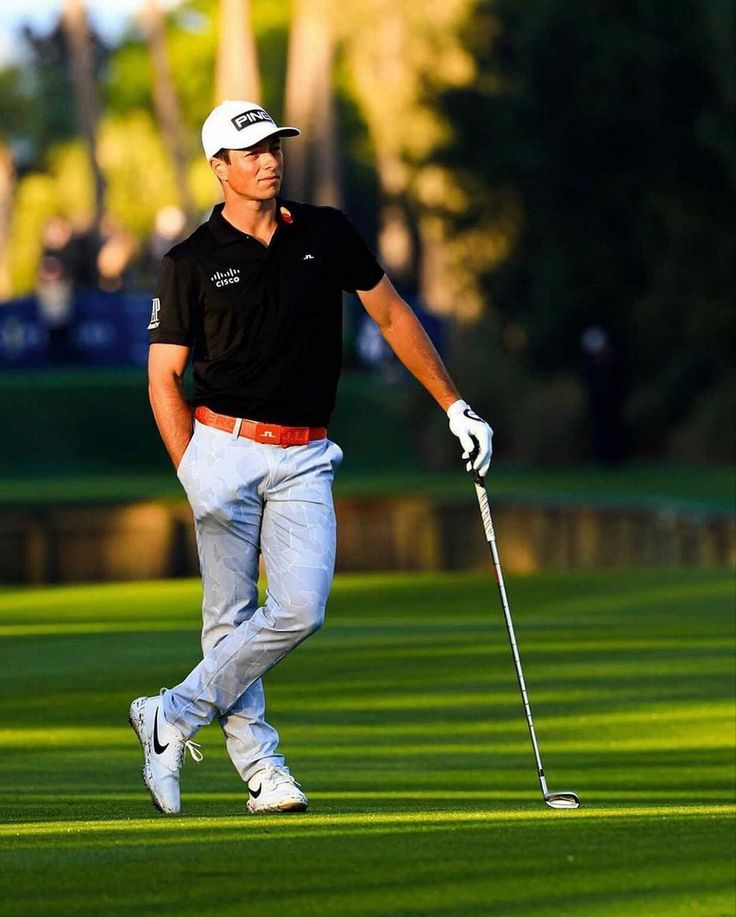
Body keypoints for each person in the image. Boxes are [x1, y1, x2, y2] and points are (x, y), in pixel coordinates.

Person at [130, 100, 493, 816]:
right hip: (222, 448)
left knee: (300, 606)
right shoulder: (190, 262)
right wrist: (190, 469)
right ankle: (264, 772)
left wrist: (454, 404)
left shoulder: (325, 233)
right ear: (219, 169)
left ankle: (170, 712)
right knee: (228, 616)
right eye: (252, 151)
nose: (269, 159)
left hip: (305, 455)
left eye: (274, 146)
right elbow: (161, 376)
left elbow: (391, 314)